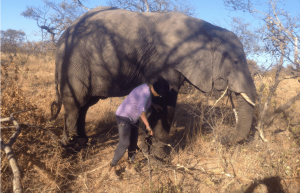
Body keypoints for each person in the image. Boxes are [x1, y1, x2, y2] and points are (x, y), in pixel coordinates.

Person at [108, 76, 170, 180]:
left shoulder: (148, 88)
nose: (159, 96)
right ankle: (111, 169)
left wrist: (153, 105)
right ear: (155, 90)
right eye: (159, 94)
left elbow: (143, 101)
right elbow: (141, 111)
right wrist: (148, 126)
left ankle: (130, 167)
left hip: (133, 118)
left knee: (133, 143)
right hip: (124, 116)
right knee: (124, 143)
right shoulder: (146, 92)